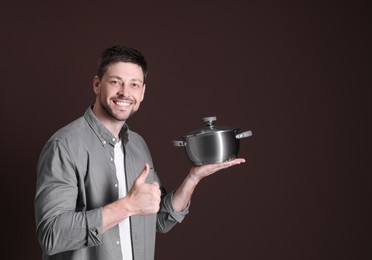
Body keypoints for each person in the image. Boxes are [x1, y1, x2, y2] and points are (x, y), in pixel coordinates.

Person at [34, 45, 245, 260]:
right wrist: (127, 206)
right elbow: (52, 235)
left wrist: (193, 178)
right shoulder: (65, 145)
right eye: (115, 82)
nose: (125, 93)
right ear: (97, 84)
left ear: (142, 92)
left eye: (134, 84)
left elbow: (159, 219)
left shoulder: (138, 145)